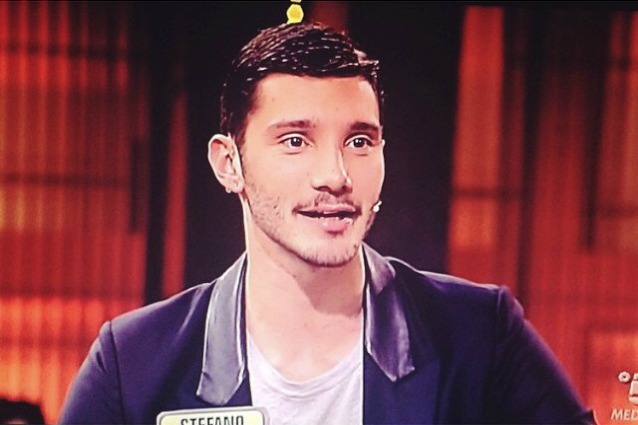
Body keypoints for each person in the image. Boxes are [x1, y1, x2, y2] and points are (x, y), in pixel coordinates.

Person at [59, 22, 596, 425]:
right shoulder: (135, 364)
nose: (336, 176)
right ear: (228, 163)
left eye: (359, 141)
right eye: (295, 141)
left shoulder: (478, 336)